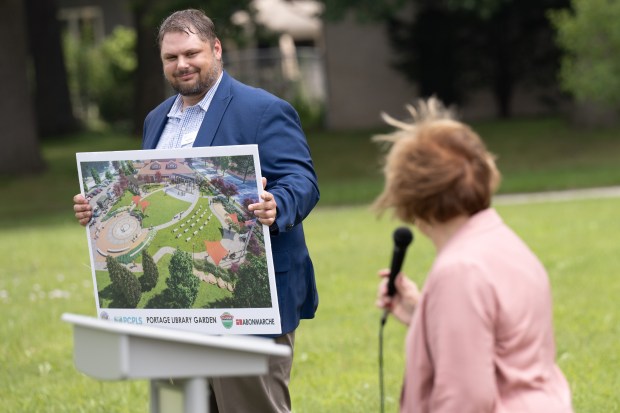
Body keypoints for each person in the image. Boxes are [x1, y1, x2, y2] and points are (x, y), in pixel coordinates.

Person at [73, 9, 319, 413]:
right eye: (171, 58)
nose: (182, 64)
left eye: (192, 53)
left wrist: (278, 204)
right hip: (175, 306)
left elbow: (302, 180)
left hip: (251, 298)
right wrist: (96, 209)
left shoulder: (263, 110)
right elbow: (142, 185)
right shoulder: (156, 120)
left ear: (216, 49)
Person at [374, 98, 573, 413]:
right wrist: (420, 314)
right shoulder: (504, 242)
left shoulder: (459, 270)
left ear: (409, 194)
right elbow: (502, 346)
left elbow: (464, 400)